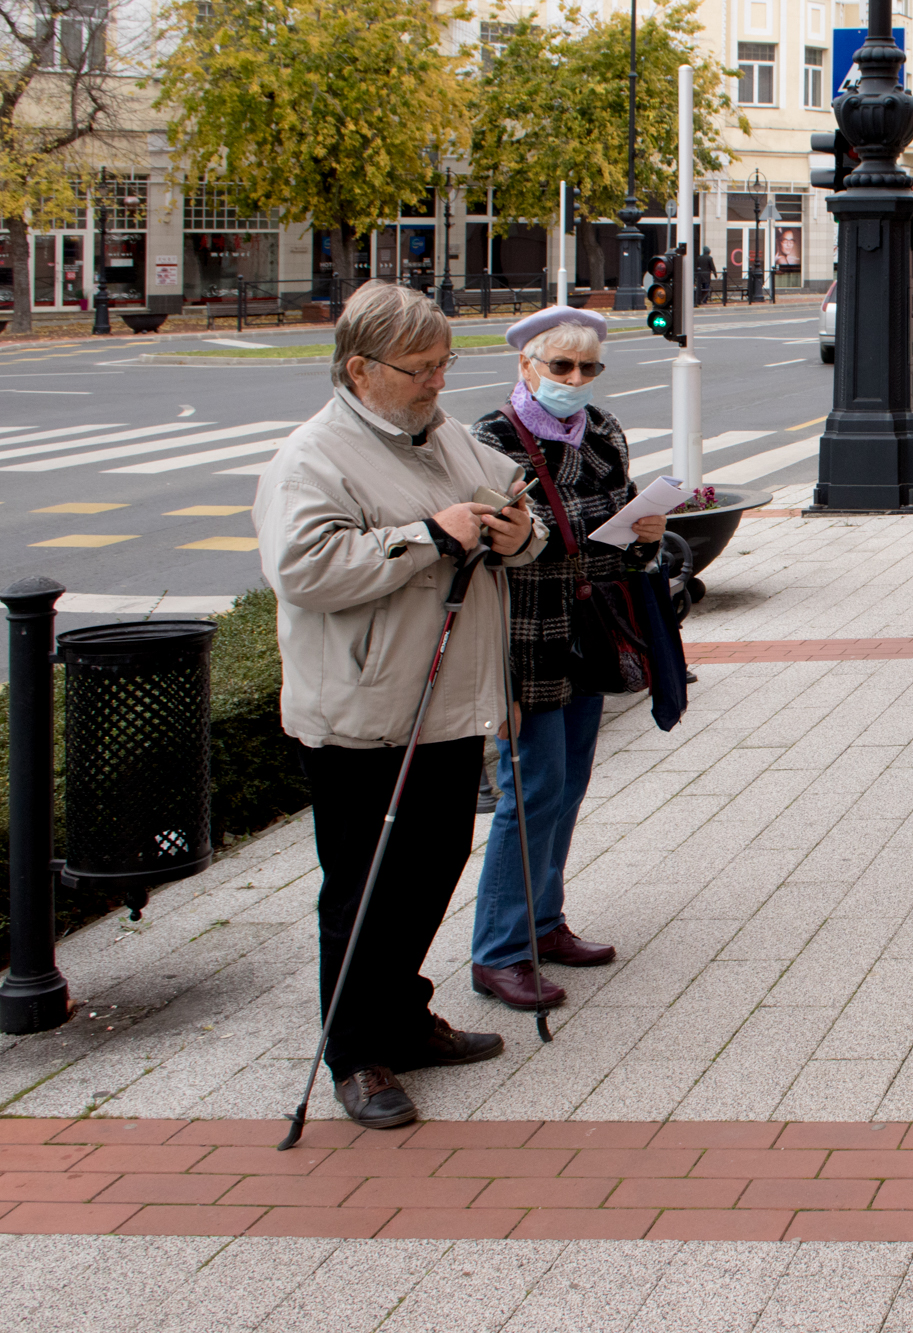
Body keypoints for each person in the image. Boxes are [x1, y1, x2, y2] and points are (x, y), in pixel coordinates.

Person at [252, 281, 546, 1130]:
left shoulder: (441, 434)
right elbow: (304, 569)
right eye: (420, 369)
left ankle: (404, 1017)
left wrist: (515, 533)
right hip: (361, 709)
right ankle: (355, 1054)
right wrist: (426, 536)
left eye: (444, 363)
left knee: (430, 866)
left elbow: (513, 512)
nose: (438, 382)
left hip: (447, 698)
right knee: (364, 886)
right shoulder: (313, 457)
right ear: (360, 369)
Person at [467, 306, 663, 1011]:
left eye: (588, 367)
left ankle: (543, 921)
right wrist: (593, 527)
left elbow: (617, 524)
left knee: (569, 782)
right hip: (524, 631)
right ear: (526, 366)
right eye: (561, 366)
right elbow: (505, 540)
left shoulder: (604, 428)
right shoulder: (490, 440)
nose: (575, 379)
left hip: (590, 622)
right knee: (532, 788)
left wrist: (646, 531)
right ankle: (499, 950)